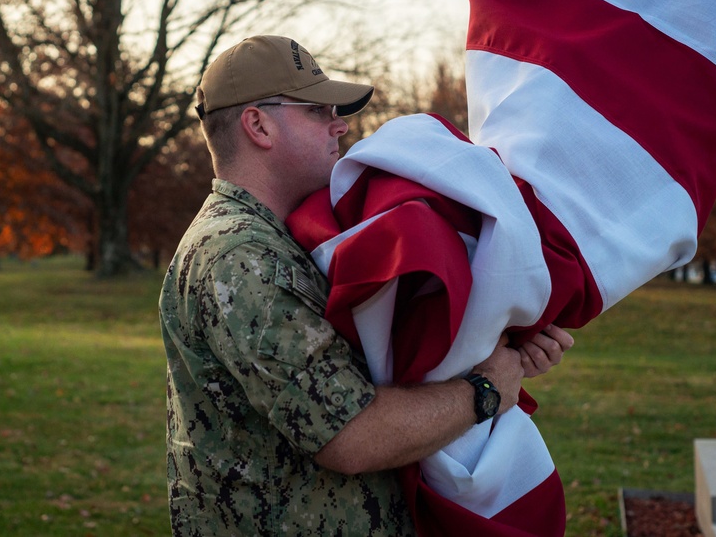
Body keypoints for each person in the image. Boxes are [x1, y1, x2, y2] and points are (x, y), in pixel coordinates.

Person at [159, 35, 573, 536]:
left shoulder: (286, 238)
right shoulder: (239, 255)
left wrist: (491, 343)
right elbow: (352, 434)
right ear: (258, 125)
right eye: (318, 110)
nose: (341, 124)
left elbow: (377, 369)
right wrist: (485, 389)